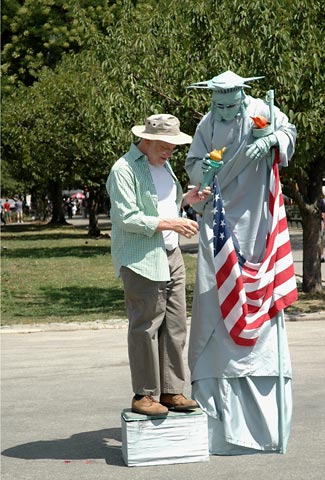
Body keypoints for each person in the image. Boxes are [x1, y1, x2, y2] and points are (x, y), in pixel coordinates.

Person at [185, 71, 297, 454]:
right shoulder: (206, 123)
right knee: (214, 302)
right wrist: (208, 170)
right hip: (219, 224)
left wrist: (270, 142)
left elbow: (289, 135)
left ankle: (267, 429)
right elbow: (194, 167)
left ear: (242, 95)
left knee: (261, 317)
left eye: (232, 104)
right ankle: (217, 425)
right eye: (219, 104)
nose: (226, 111)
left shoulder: (263, 110)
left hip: (259, 222)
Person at [106, 113, 210, 416]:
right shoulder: (123, 169)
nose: (170, 152)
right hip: (141, 259)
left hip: (171, 254)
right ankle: (144, 395)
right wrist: (171, 224)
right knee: (145, 327)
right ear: (147, 140)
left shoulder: (163, 167)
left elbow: (164, 203)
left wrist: (186, 200)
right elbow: (126, 217)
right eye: (165, 146)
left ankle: (172, 390)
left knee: (175, 325)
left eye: (174, 147)